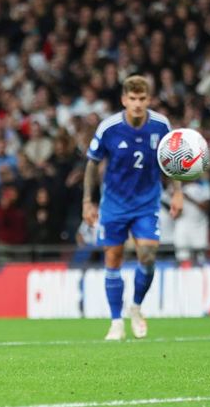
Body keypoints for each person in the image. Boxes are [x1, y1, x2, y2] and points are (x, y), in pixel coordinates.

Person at [83, 75, 183, 341]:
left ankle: (136, 307)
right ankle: (116, 321)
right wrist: (87, 201)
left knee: (148, 255)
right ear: (124, 100)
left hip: (146, 203)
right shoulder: (109, 128)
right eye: (132, 99)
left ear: (148, 99)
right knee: (113, 259)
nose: (137, 104)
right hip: (114, 204)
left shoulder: (161, 126)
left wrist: (177, 193)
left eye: (142, 99)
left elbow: (170, 160)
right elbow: (92, 164)